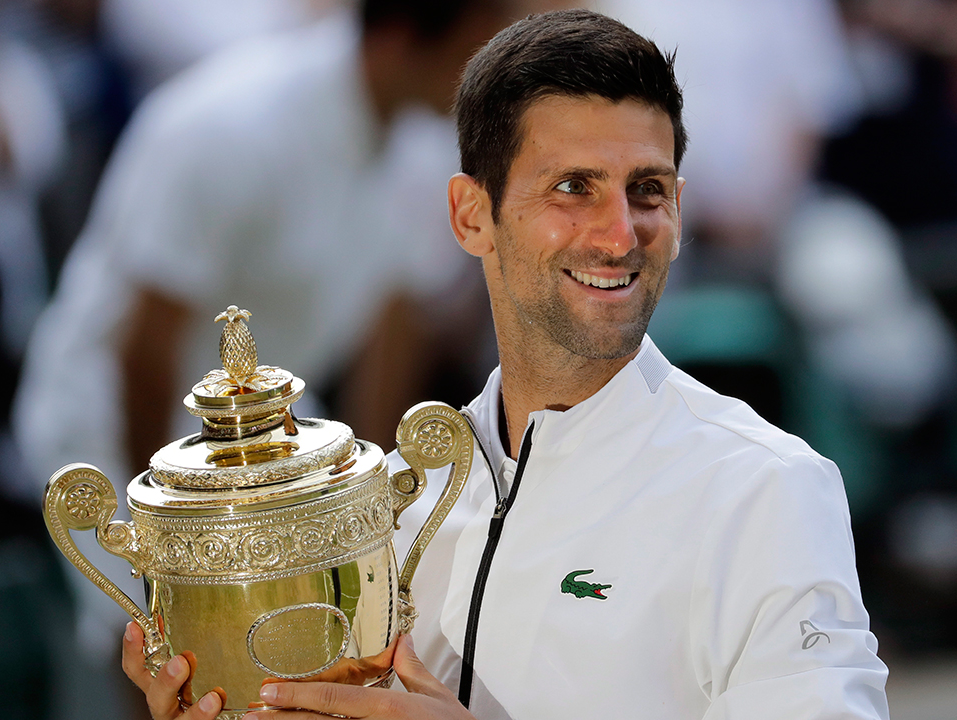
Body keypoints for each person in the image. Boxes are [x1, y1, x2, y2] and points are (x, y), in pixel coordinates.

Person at [123, 9, 890, 719]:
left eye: (647, 190)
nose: (620, 234)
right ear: (470, 215)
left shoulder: (769, 491)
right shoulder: (388, 504)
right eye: (573, 188)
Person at [15, 2, 505, 718]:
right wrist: (161, 548)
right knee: (164, 664)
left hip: (270, 440)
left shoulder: (426, 141)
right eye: (477, 45)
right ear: (403, 38)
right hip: (110, 434)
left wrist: (367, 512)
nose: (491, 70)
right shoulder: (230, 126)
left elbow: (392, 325)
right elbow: (143, 347)